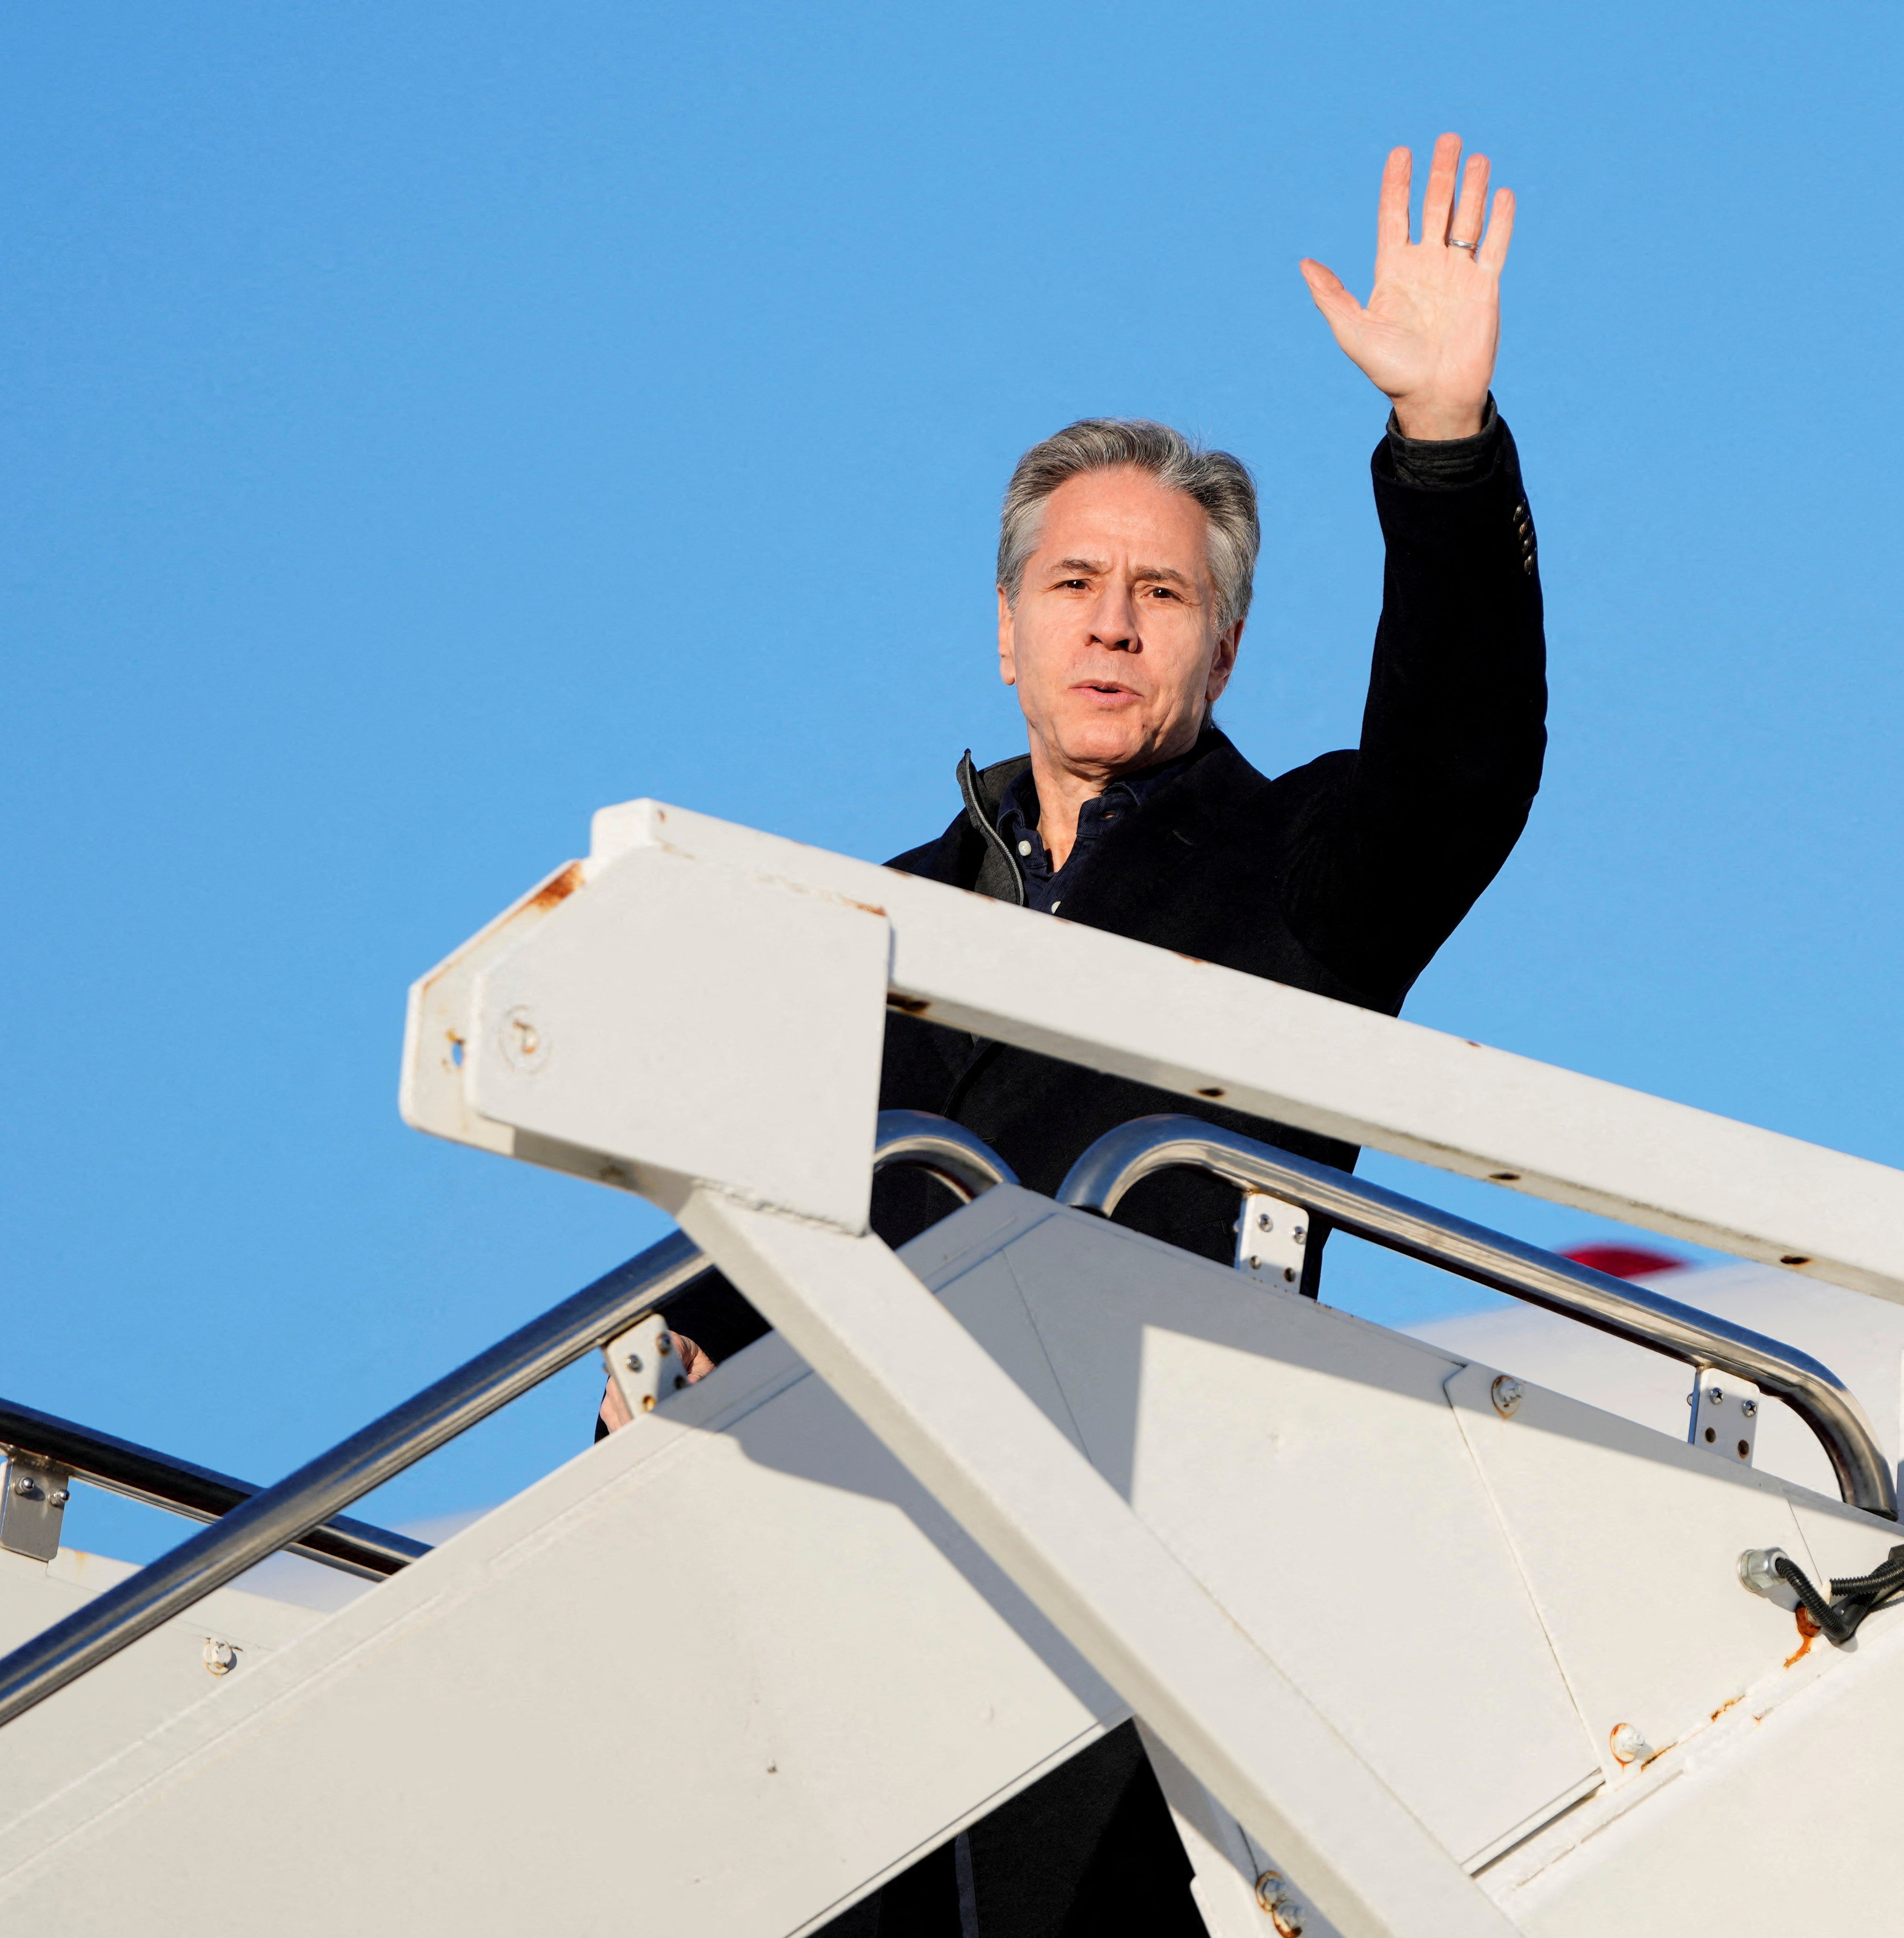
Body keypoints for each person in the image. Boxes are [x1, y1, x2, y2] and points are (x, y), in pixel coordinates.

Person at [601, 135, 1546, 1937]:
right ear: (1010, 633)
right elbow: (753, 1220)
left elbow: (1466, 754)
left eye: (1164, 593)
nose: (1114, 622)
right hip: (851, 1561)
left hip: (1143, 1549)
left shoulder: (1302, 871)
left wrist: (1445, 445)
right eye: (1075, 587)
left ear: (1226, 647)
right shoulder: (859, 921)